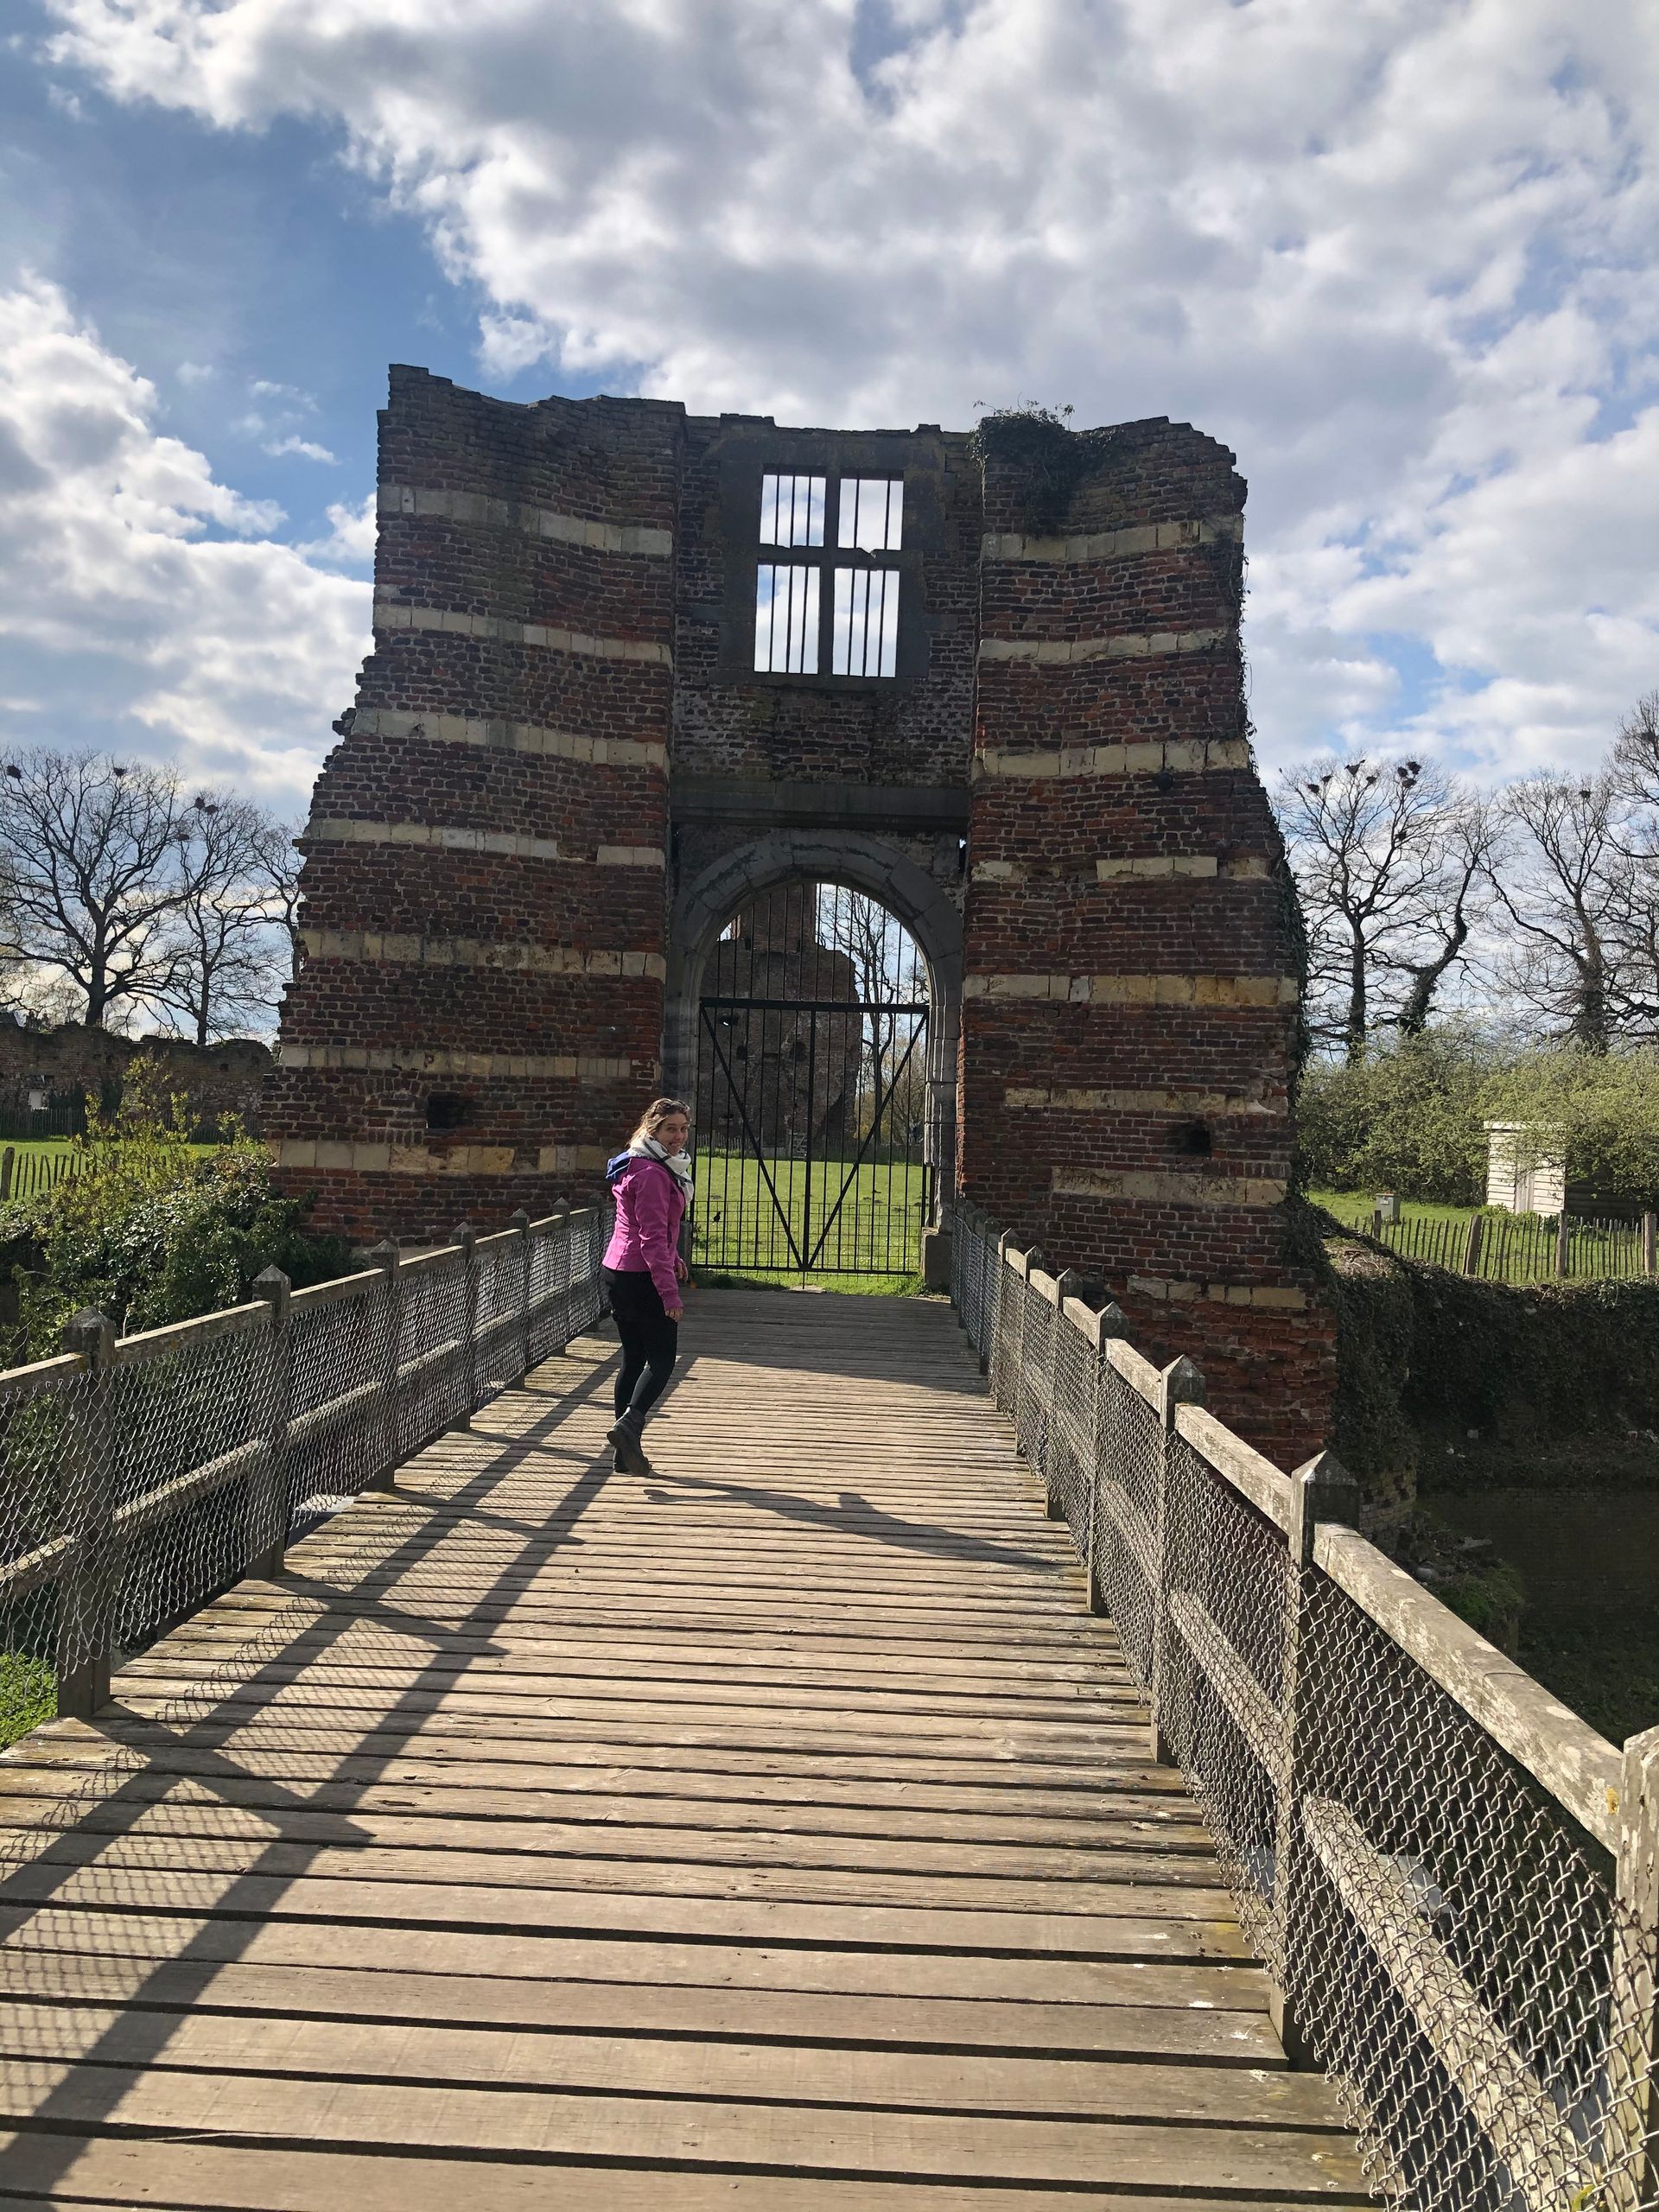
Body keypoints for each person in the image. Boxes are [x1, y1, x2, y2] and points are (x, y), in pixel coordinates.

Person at [601, 1097, 693, 1474]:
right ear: (652, 1130)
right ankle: (630, 1423)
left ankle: (624, 1455)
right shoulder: (654, 1174)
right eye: (670, 1128)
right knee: (661, 1360)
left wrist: (673, 1258)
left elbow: (647, 1230)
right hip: (642, 1277)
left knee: (633, 1358)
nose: (678, 1136)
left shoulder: (633, 1163)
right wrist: (668, 1292)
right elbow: (651, 1236)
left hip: (618, 1271)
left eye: (684, 1128)